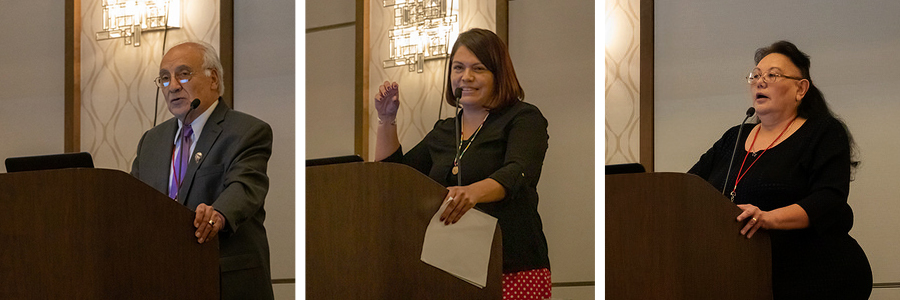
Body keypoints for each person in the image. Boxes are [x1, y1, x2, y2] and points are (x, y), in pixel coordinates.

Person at [375, 28, 551, 300]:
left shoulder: (523, 118)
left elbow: (519, 171)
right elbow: (395, 180)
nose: (465, 77)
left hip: (512, 266)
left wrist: (472, 192)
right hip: (449, 267)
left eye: (478, 68)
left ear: (498, 74)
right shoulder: (444, 131)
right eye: (458, 68)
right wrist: (387, 120)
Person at [688, 40, 872, 299]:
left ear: (801, 88)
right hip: (743, 275)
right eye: (756, 76)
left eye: (772, 75)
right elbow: (688, 188)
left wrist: (766, 218)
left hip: (816, 275)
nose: (760, 82)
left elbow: (828, 200)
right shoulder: (734, 137)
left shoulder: (823, 133)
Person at [131, 41, 275, 300]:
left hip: (223, 281)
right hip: (162, 281)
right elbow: (130, 202)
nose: (173, 86)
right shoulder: (151, 141)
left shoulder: (246, 132)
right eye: (164, 78)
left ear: (213, 78)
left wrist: (218, 214)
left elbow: (244, 186)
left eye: (183, 74)